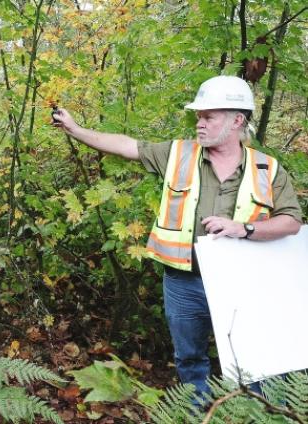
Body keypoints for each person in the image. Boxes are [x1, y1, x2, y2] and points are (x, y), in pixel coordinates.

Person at [53, 75, 302, 399]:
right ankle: (197, 412)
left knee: (253, 361)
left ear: (237, 120)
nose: (199, 123)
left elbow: (291, 222)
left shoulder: (267, 168)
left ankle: (258, 415)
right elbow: (126, 145)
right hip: (183, 283)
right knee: (190, 358)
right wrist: (76, 129)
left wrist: (245, 229)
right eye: (198, 116)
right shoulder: (178, 154)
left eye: (208, 116)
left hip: (241, 286)